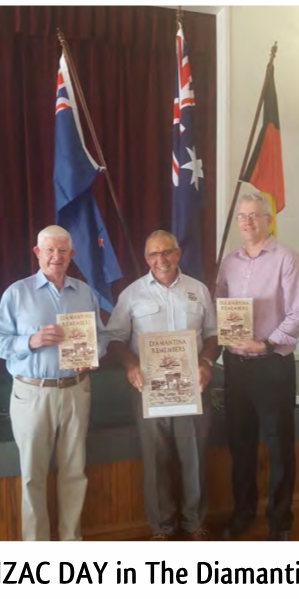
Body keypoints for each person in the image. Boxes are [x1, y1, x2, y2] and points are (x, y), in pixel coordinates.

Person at [0, 225, 109, 541]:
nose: (57, 257)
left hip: (76, 390)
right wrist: (31, 340)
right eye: (50, 250)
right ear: (38, 253)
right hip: (32, 394)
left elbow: (103, 336)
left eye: (63, 251)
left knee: (74, 472)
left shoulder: (85, 293)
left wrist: (94, 353)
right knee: (32, 477)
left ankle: (70, 543)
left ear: (72, 254)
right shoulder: (17, 293)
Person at [106, 229, 218, 540]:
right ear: (146, 259)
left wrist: (206, 363)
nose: (161, 259)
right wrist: (130, 366)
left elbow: (212, 335)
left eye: (166, 252)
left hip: (192, 389)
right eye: (154, 254)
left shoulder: (198, 290)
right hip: (149, 392)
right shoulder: (131, 294)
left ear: (178, 254)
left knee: (193, 457)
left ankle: (195, 523)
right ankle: (162, 529)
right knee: (155, 461)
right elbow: (113, 339)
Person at [215, 190, 299, 540]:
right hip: (236, 368)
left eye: (255, 215)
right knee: (240, 447)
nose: (247, 221)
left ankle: (279, 523)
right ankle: (243, 514)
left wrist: (268, 342)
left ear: (268, 219)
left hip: (272, 365)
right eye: (242, 216)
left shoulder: (287, 259)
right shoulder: (229, 263)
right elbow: (220, 310)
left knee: (278, 448)